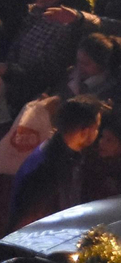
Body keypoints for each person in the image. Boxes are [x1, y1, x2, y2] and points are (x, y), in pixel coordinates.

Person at [10, 95, 105, 229]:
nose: (97, 133)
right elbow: (29, 225)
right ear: (84, 131)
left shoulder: (62, 155)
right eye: (96, 127)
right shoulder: (47, 169)